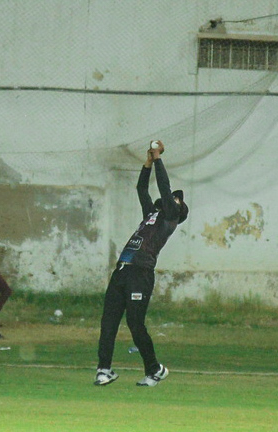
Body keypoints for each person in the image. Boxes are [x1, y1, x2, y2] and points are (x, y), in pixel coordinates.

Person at [94, 141, 189, 387]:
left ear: (178, 211)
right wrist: (147, 164)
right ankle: (104, 369)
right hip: (122, 270)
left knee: (135, 324)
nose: (173, 199)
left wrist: (158, 159)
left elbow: (165, 189)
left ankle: (155, 369)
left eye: (177, 200)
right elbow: (141, 188)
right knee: (108, 321)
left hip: (141, 273)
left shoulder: (170, 217)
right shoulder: (152, 214)